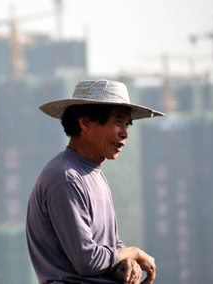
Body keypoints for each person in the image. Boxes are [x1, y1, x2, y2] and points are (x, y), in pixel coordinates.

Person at [26, 80, 164, 284]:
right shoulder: (66, 178)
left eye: (127, 124)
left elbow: (111, 245)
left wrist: (126, 265)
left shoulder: (93, 174)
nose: (125, 133)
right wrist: (133, 253)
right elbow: (87, 261)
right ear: (85, 123)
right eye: (118, 122)